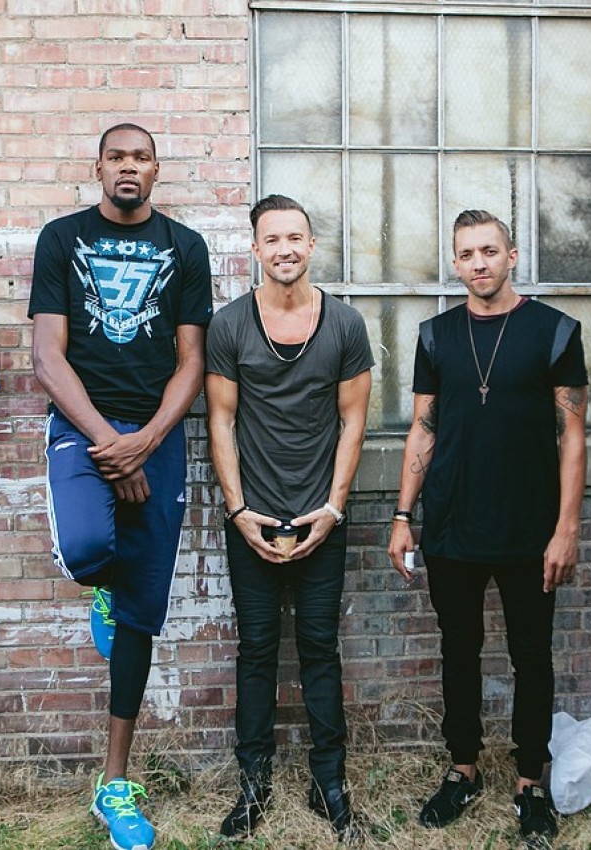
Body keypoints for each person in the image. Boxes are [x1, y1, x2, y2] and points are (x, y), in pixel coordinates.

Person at [28, 123, 212, 850]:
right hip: (85, 427)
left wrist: (148, 441)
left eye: (141, 158)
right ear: (98, 167)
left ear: (156, 170)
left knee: (140, 613)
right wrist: (110, 443)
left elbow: (191, 361)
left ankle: (114, 783)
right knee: (85, 546)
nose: (128, 168)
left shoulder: (185, 246)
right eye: (117, 157)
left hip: (156, 436)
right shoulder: (61, 237)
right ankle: (98, 582)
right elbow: (46, 356)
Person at [387, 209, 588, 848]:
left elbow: (573, 437)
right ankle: (463, 769)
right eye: (467, 254)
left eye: (490, 251)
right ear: (455, 263)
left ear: (512, 255)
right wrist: (402, 515)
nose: (479, 263)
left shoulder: (555, 332)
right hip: (451, 524)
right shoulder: (436, 335)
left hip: (531, 528)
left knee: (531, 655)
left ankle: (531, 779)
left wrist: (567, 529)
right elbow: (424, 428)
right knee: (459, 652)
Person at [205, 194, 373, 842]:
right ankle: (254, 786)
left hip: (320, 517)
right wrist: (238, 510)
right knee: (255, 653)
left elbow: (353, 419)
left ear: (310, 244)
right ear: (254, 249)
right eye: (272, 239)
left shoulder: (345, 325)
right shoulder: (229, 325)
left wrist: (332, 509)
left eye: (295, 238)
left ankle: (329, 783)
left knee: (320, 652)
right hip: (251, 519)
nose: (284, 249)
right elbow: (220, 419)